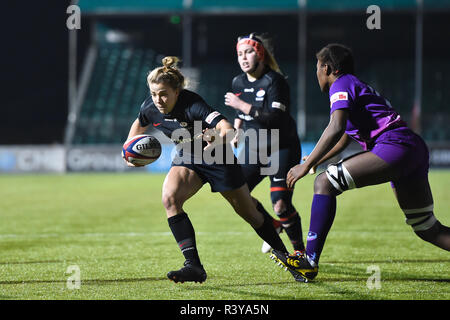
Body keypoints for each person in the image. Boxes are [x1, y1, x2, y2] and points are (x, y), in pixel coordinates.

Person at [271, 43, 450, 282]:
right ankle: (309, 261)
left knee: (324, 183)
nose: (316, 73)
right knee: (427, 228)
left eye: (317, 67)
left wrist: (306, 165)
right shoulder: (355, 86)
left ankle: (309, 261)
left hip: (395, 146)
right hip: (411, 149)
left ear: (327, 68)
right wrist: (316, 160)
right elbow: (345, 137)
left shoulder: (341, 84)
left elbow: (336, 127)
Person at [124, 56, 290, 283]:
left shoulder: (193, 104)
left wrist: (219, 138)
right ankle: (193, 266)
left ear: (177, 92)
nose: (158, 99)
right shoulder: (151, 107)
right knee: (170, 199)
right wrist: (129, 147)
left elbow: (228, 128)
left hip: (217, 156)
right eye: (154, 94)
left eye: (163, 93)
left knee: (248, 212)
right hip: (188, 155)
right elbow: (140, 120)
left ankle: (286, 256)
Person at [224, 33, 305, 254]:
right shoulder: (238, 82)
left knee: (280, 204)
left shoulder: (275, 81)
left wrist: (242, 105)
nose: (243, 57)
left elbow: (275, 119)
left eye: (248, 52)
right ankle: (273, 226)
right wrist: (237, 132)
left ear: (259, 54)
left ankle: (301, 254)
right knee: (235, 194)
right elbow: (238, 113)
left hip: (282, 147)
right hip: (253, 147)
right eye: (239, 54)